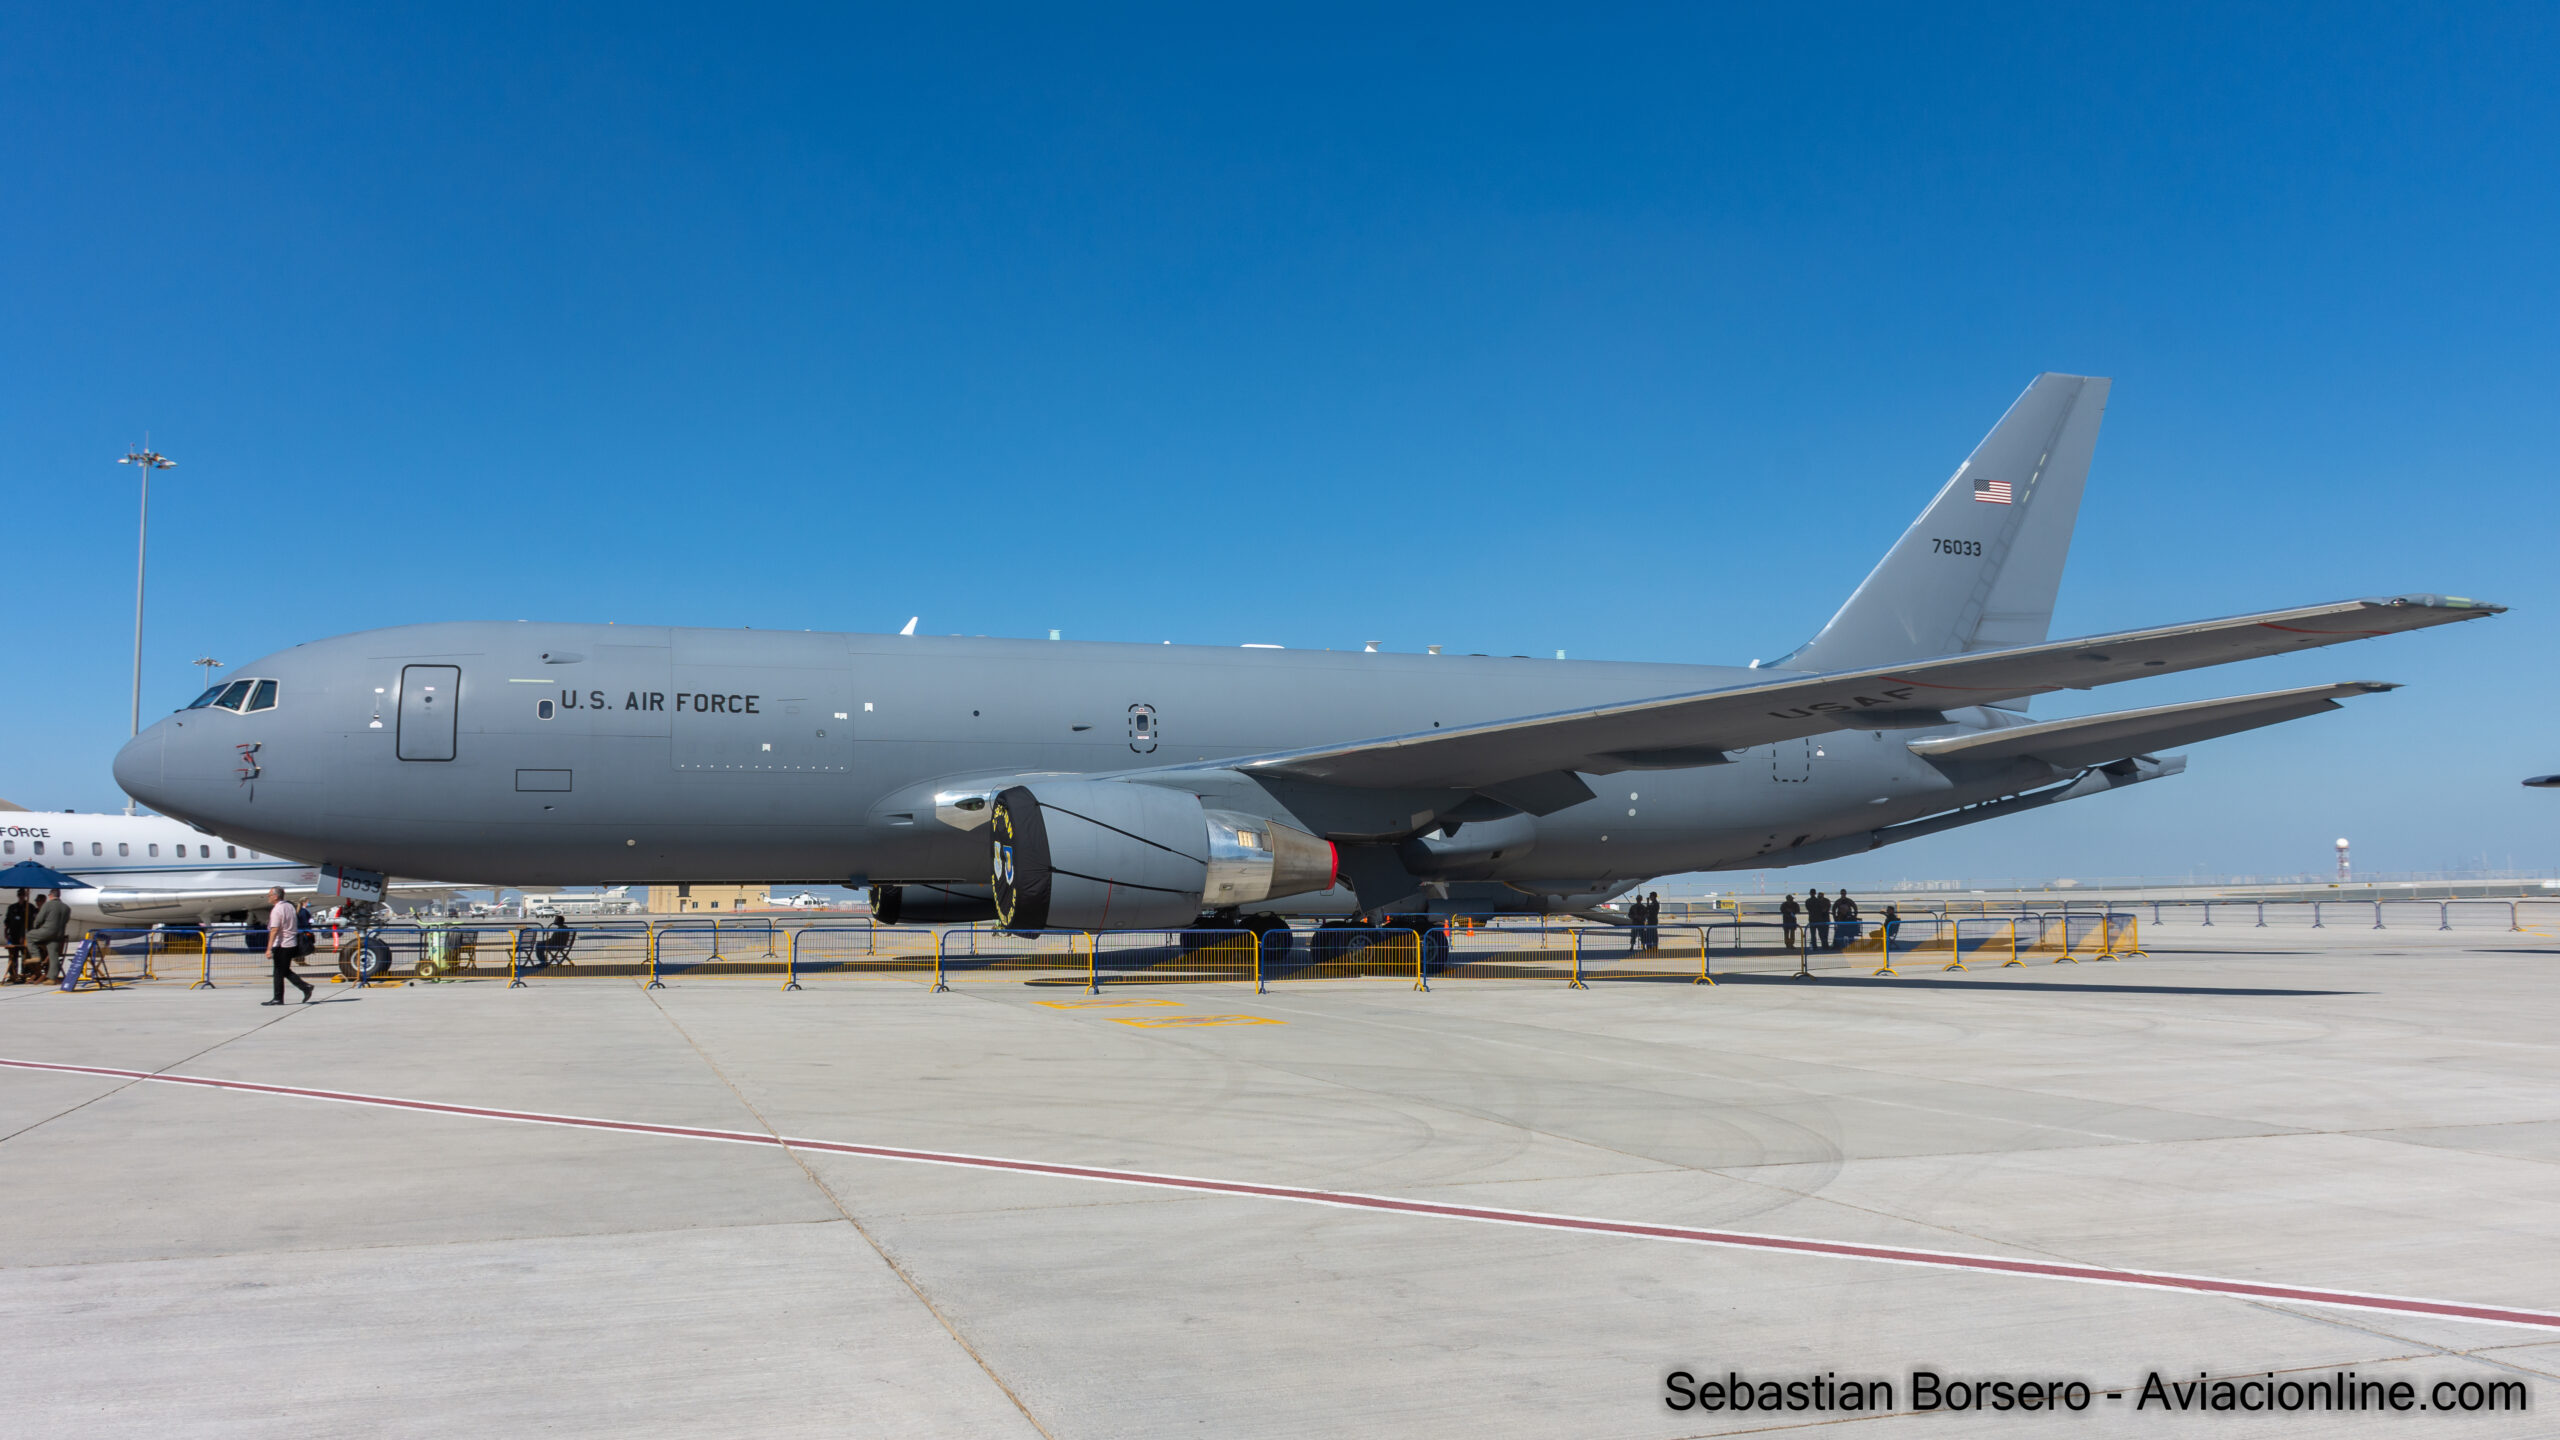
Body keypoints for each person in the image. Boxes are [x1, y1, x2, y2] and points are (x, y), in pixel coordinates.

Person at [265, 887, 313, 1005]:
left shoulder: (277, 909)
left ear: (276, 896)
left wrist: (269, 948)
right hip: (291, 942)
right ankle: (305, 987)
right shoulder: (289, 906)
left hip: (282, 944)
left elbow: (274, 929)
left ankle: (278, 998)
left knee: (278, 972)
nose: (268, 897)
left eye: (270, 895)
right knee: (283, 970)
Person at [26, 888, 71, 984]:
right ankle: (52, 978)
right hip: (59, 934)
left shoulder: (47, 905)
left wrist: (35, 927)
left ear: (50, 896)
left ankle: (36, 956)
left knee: (29, 936)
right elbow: (66, 920)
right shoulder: (66, 907)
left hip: (47, 931)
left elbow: (39, 919)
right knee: (53, 955)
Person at [4, 888, 30, 984]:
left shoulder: (29, 907)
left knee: (25, 957)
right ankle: (12, 975)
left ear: (25, 895)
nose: (21, 896)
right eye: (19, 894)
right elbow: (7, 922)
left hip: (24, 937)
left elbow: (32, 923)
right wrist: (6, 934)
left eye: (23, 894)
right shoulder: (12, 907)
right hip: (13, 936)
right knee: (12, 957)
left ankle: (24, 974)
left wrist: (24, 936)